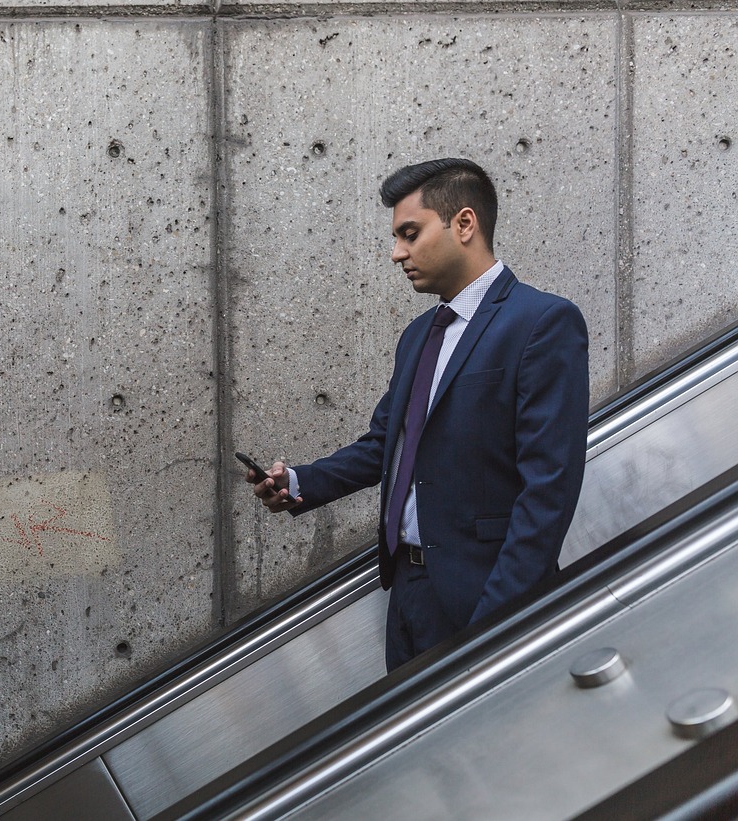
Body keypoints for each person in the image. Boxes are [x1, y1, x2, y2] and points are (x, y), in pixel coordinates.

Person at [247, 157, 589, 671]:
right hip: (407, 592)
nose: (396, 253)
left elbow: (550, 488)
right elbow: (385, 443)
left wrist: (497, 619)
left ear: (464, 223)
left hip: (487, 596)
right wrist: (297, 482)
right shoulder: (418, 336)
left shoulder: (542, 322)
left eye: (410, 233)